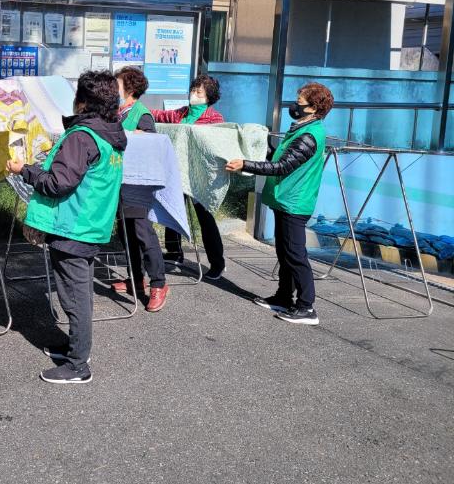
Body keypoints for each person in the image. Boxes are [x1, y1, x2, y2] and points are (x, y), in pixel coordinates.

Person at [6, 70, 126, 384]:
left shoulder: (82, 136)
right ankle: (74, 347)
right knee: (79, 292)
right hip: (89, 225)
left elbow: (58, 183)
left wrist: (25, 171)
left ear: (83, 102)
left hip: (72, 227)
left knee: (74, 297)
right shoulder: (109, 133)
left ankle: (78, 366)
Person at [226, 83, 333, 325]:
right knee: (284, 253)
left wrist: (246, 164)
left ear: (314, 107)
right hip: (285, 200)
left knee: (295, 255)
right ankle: (284, 296)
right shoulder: (300, 130)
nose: (294, 105)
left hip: (295, 203)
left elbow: (283, 167)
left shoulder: (309, 136)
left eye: (300, 101)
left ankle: (307, 307)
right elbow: (279, 157)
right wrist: (259, 144)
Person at [151, 74, 227, 280]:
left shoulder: (215, 119)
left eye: (199, 92)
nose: (193, 94)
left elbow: (217, 145)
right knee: (172, 209)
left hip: (201, 177)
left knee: (205, 218)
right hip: (176, 171)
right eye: (193, 90)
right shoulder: (181, 113)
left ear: (209, 96)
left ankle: (217, 262)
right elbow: (159, 115)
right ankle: (175, 252)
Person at [113, 66, 169, 312]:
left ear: (130, 88)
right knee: (125, 233)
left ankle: (159, 283)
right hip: (118, 181)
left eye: (118, 84)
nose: (114, 89)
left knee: (142, 233)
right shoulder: (117, 111)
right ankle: (135, 278)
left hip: (137, 184)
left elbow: (150, 148)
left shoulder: (142, 114)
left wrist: (136, 136)